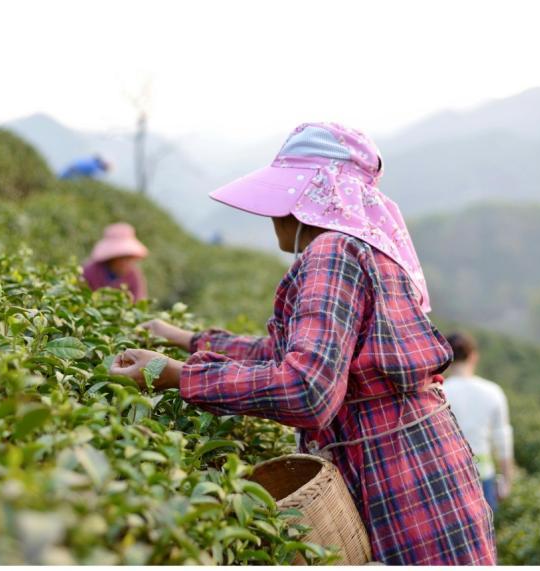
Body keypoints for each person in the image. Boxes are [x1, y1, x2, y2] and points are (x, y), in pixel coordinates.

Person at [109, 123, 496, 565]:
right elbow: (289, 356)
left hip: (400, 483)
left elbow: (307, 390)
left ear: (312, 199)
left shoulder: (331, 254)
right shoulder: (362, 249)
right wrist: (186, 340)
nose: (274, 213)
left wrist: (176, 376)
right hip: (430, 470)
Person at [442, 332, 515, 513]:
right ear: (474, 356)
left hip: (447, 479)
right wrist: (507, 480)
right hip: (483, 477)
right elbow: (503, 440)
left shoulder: (439, 393)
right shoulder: (493, 392)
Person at [82, 222, 148, 301]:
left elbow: (138, 301)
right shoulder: (90, 271)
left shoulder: (134, 276)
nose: (126, 263)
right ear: (112, 257)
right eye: (123, 258)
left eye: (129, 258)